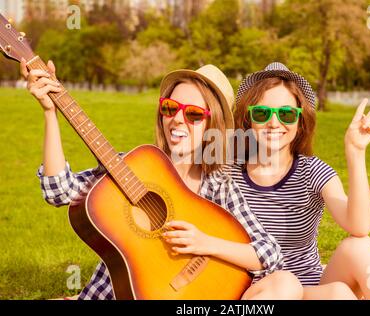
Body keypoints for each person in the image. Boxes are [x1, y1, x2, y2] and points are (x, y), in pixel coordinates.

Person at [20, 59, 303, 300]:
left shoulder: (218, 184)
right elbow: (58, 191)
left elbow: (269, 253)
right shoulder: (133, 167)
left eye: (193, 114)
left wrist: (205, 243)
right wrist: (50, 113)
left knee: (286, 284)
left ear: (211, 125)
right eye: (170, 107)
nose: (178, 119)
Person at [229, 62, 370, 300]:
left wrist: (355, 151)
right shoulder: (229, 173)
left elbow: (358, 226)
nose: (274, 123)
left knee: (358, 248)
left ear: (300, 121)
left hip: (310, 290)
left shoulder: (312, 171)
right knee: (338, 295)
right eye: (262, 113)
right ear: (248, 120)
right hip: (260, 293)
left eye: (286, 114)